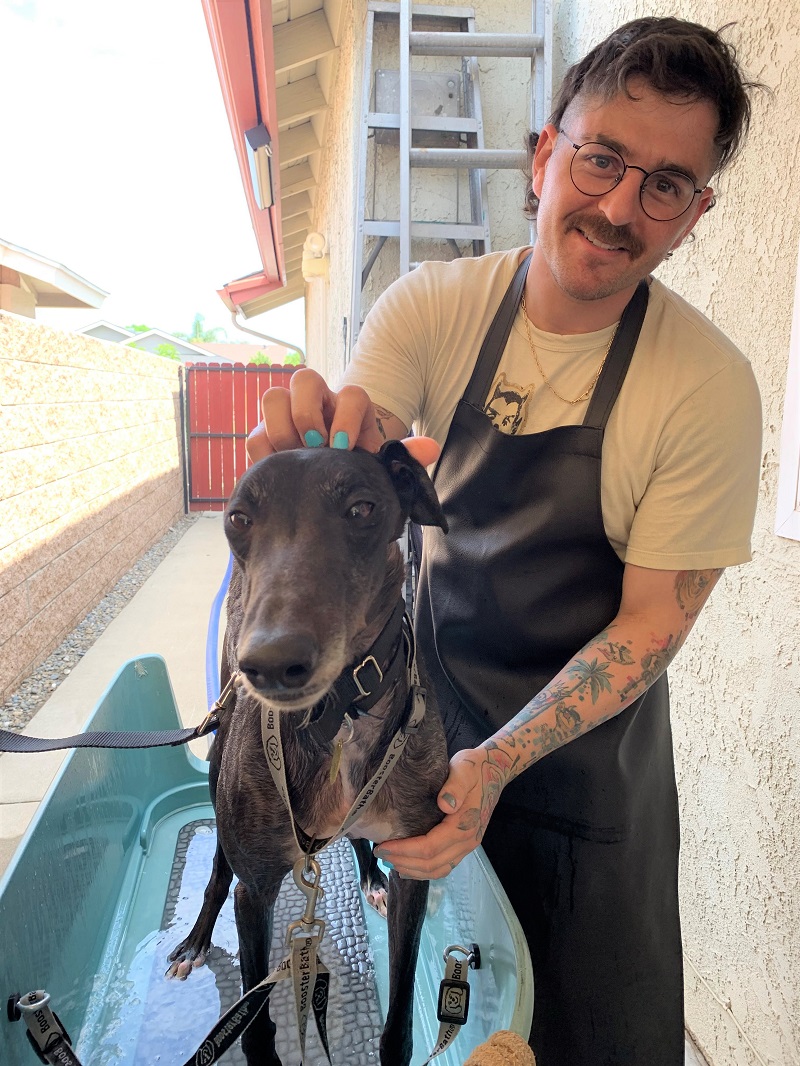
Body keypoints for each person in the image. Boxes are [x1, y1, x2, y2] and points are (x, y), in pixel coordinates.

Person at [247, 17, 763, 1065]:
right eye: (601, 158)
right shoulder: (432, 310)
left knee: (593, 1037)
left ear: (695, 213)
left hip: (588, 791)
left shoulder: (703, 385)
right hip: (419, 752)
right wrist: (303, 459)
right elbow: (359, 451)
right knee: (428, 1027)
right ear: (544, 153)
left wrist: (497, 765)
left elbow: (654, 618)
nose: (618, 207)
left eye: (663, 184)